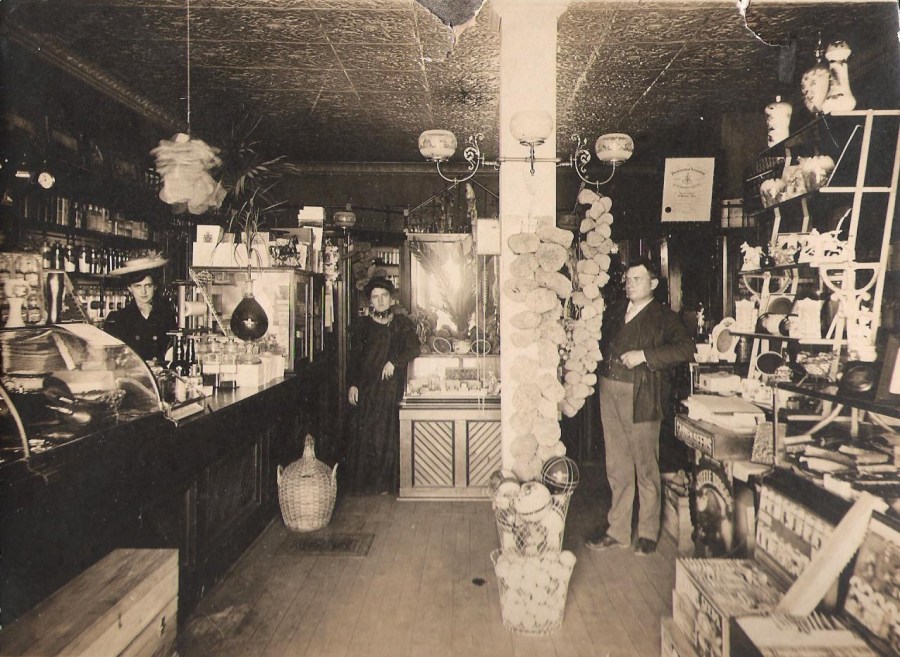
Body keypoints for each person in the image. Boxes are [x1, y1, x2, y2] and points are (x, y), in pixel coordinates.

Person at [586, 258, 694, 556]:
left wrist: (645, 355)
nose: (630, 284)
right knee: (617, 465)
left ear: (653, 284)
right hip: (609, 390)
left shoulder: (664, 317)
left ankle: (647, 531)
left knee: (645, 465)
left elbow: (686, 348)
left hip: (641, 393)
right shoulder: (616, 311)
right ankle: (617, 530)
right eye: (628, 279)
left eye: (637, 279)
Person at [346, 277, 420, 494]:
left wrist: (394, 362)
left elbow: (414, 349)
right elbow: (355, 360)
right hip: (367, 389)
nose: (379, 301)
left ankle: (385, 484)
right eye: (375, 297)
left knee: (386, 435)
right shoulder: (362, 327)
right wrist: (353, 385)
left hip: (389, 389)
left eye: (384, 296)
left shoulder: (401, 324)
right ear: (370, 301)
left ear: (392, 299)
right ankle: (367, 485)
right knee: (366, 435)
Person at [104, 254, 176, 363]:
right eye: (138, 286)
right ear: (130, 288)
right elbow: (113, 358)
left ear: (155, 286)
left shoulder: (166, 316)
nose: (143, 292)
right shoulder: (119, 318)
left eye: (148, 285)